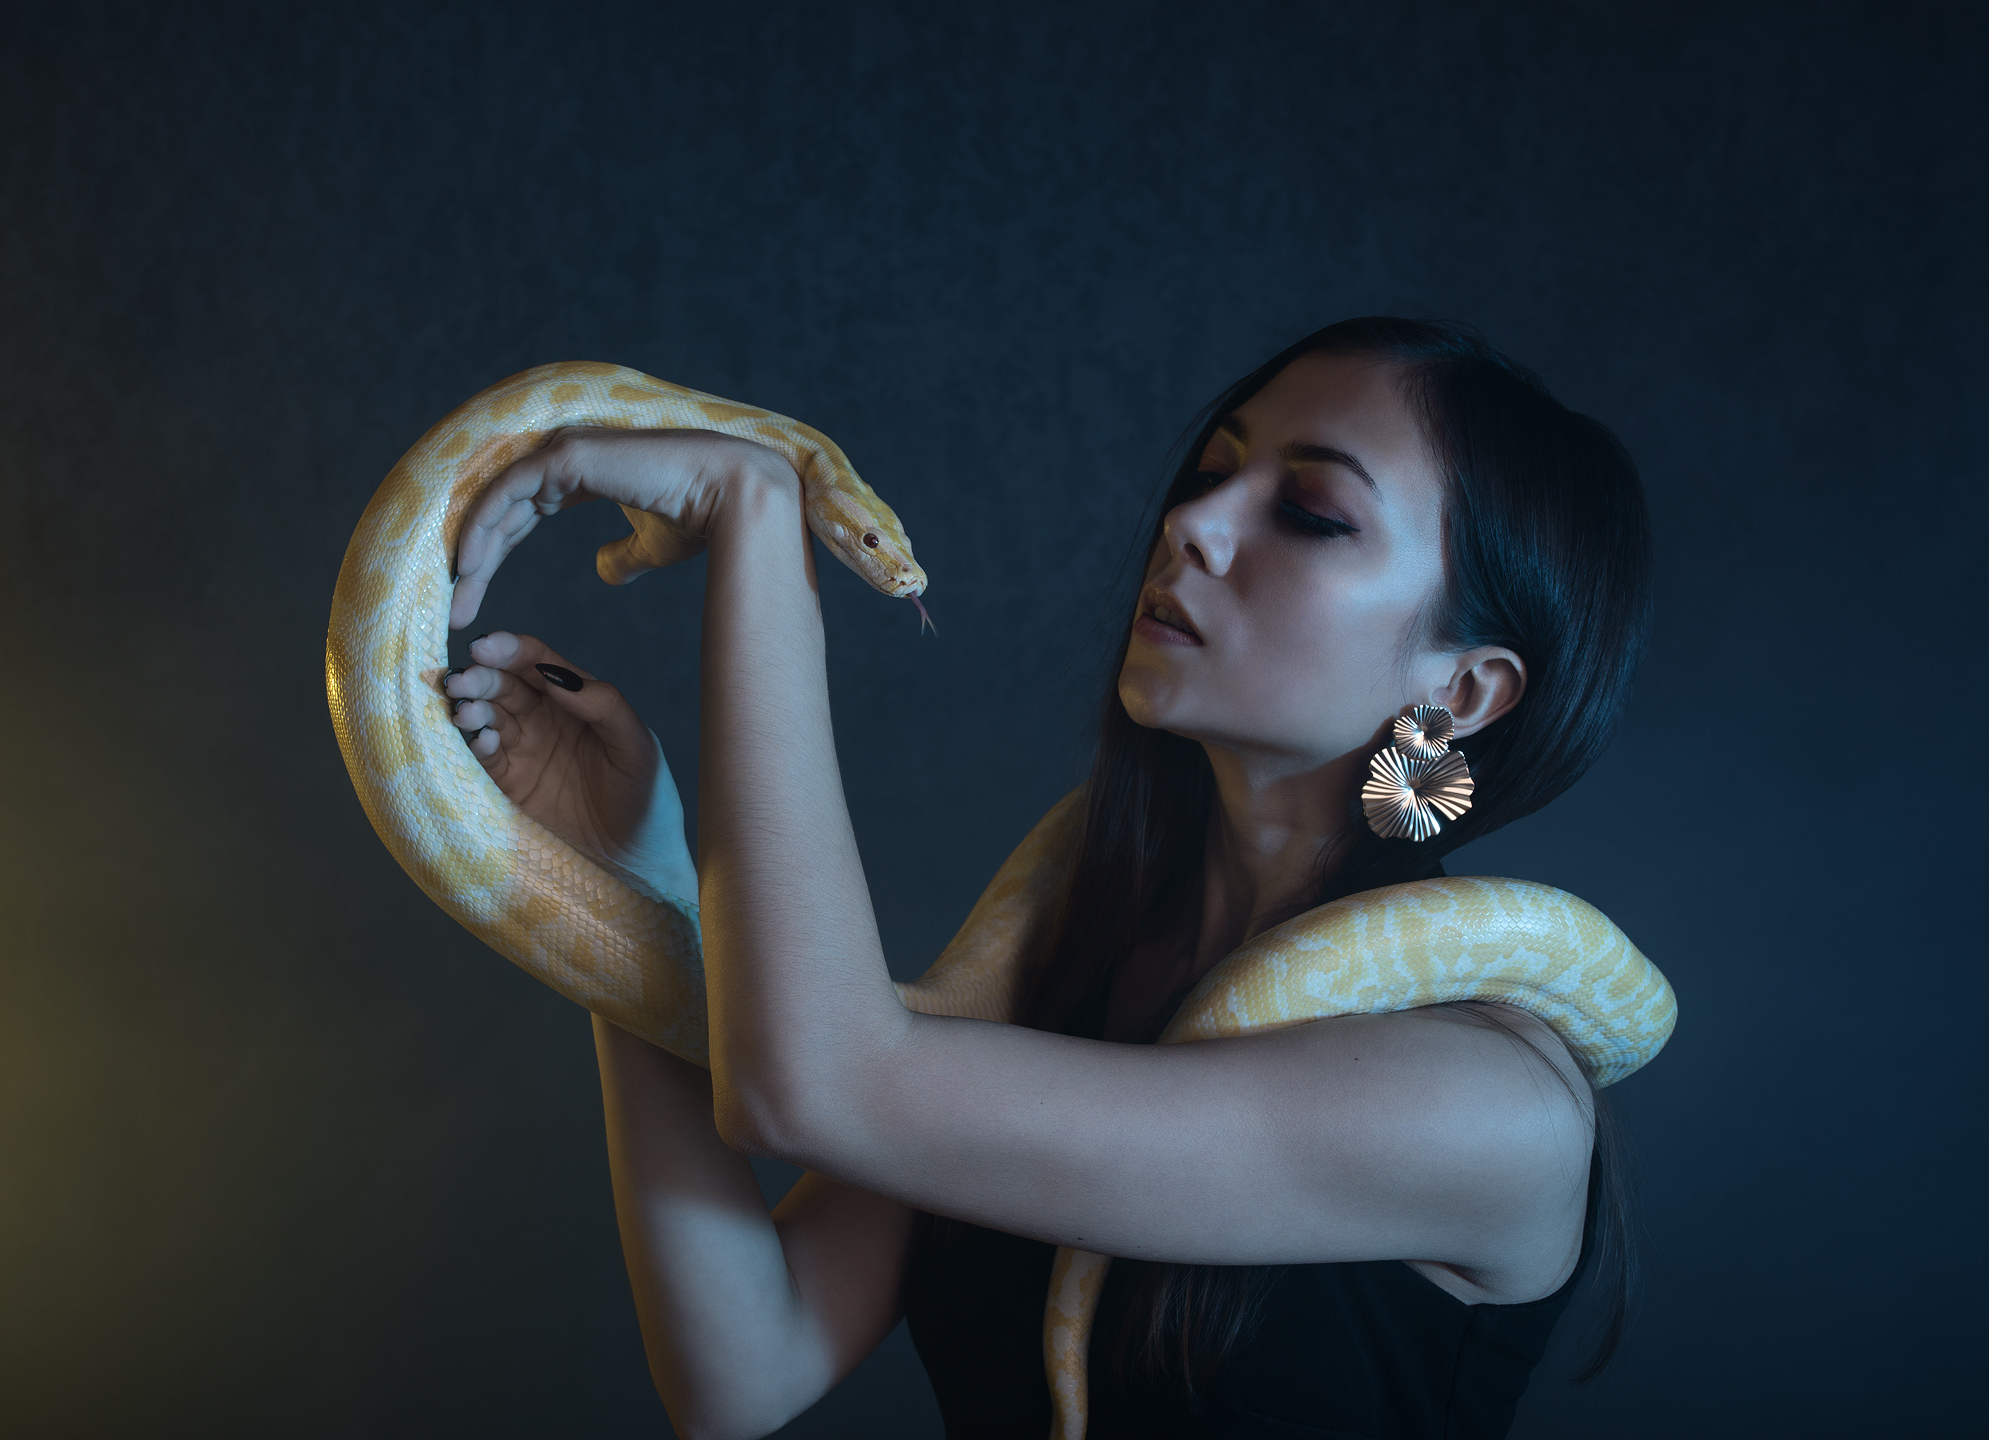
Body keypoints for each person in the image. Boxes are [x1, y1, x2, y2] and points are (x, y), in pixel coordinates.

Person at [439, 317, 1653, 1439]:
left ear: (1462, 693)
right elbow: (746, 1361)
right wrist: (630, 888)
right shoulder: (1070, 944)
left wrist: (760, 519)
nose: (1196, 521)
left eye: (1313, 513)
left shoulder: (1495, 1106)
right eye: (1215, 468)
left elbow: (817, 1086)